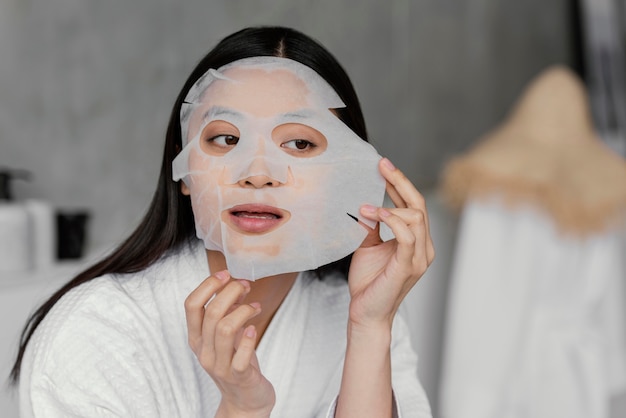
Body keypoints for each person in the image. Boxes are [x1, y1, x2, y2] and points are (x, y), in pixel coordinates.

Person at [11, 26, 435, 417]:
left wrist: (368, 327)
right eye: (226, 139)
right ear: (184, 171)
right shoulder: (94, 333)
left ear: (345, 173)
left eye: (300, 143)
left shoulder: (360, 309)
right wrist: (241, 408)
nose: (257, 172)